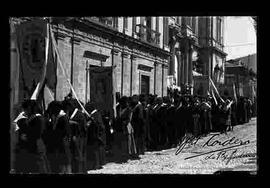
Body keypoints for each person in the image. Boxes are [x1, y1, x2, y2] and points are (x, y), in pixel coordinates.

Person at [15, 99, 49, 174]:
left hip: (37, 146)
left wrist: (26, 136)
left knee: (39, 168)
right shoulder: (28, 118)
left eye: (25, 109)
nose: (24, 111)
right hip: (30, 147)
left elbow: (37, 133)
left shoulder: (39, 119)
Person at [46, 100, 72, 174]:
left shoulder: (63, 118)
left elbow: (65, 132)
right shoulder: (57, 117)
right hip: (59, 146)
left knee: (64, 166)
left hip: (62, 145)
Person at [85, 102, 106, 170]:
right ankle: (97, 164)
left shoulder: (95, 114)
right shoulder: (94, 114)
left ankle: (97, 165)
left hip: (97, 135)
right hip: (96, 135)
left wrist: (90, 123)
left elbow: (99, 125)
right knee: (96, 151)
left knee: (96, 151)